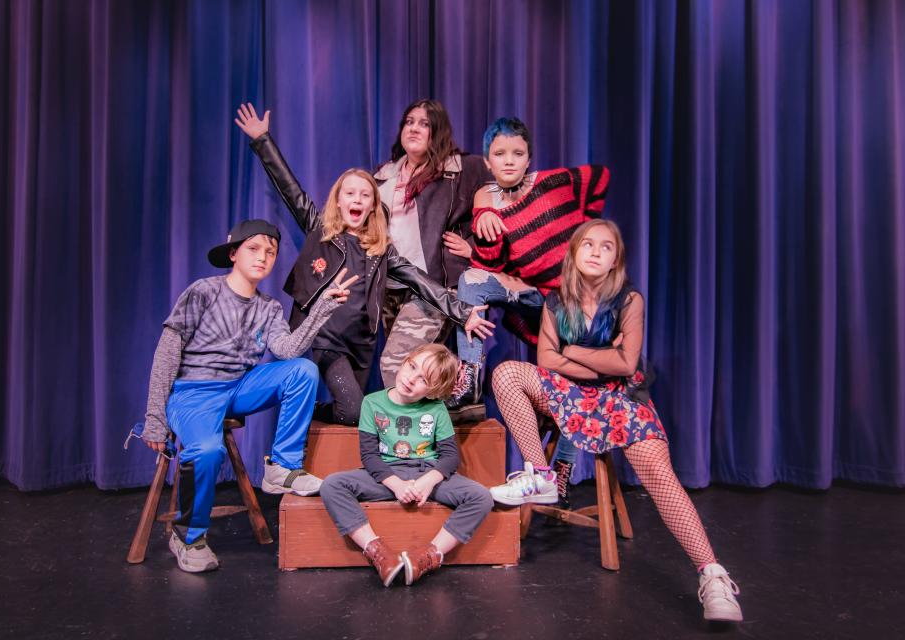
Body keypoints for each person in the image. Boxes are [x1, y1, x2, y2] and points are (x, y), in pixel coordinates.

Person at [488, 219, 743, 622]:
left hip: (622, 397)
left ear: (615, 260)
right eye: (587, 244)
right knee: (507, 373)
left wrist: (573, 352)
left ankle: (712, 575)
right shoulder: (555, 301)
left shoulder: (629, 301)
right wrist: (601, 359)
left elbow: (625, 365)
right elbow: (545, 362)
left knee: (660, 474)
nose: (594, 251)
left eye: (605, 247)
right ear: (573, 253)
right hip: (568, 394)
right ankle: (540, 473)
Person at [137, 219, 357, 573]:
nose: (263, 257)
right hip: (194, 392)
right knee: (208, 451)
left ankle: (281, 468)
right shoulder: (203, 292)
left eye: (270, 252)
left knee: (302, 370)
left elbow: (287, 350)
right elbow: (166, 354)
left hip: (238, 387)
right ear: (234, 253)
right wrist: (155, 419)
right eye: (254, 249)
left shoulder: (268, 308)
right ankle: (188, 536)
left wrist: (321, 309)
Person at [234, 101, 490, 387]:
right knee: (403, 372)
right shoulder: (381, 180)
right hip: (373, 305)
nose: (414, 128)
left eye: (425, 123)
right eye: (409, 121)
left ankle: (451, 396)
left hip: (418, 294)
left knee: (397, 367)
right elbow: (294, 194)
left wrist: (471, 260)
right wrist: (263, 141)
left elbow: (419, 277)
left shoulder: (457, 171)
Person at [447, 117, 610, 409]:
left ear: (528, 159)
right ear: (487, 162)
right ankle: (469, 377)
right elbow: (490, 263)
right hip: (533, 298)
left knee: (576, 386)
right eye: (499, 154)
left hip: (571, 300)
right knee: (471, 280)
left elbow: (601, 177)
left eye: (517, 154)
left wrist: (588, 235)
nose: (508, 161)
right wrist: (485, 222)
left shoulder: (554, 183)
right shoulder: (486, 197)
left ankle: (565, 454)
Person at [318, 344, 494, 586]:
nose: (412, 379)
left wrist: (427, 481)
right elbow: (370, 457)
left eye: (424, 379)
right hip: (387, 476)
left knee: (481, 497)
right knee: (332, 485)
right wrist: (397, 486)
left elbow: (450, 456)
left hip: (426, 474)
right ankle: (378, 553)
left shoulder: (436, 408)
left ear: (433, 391)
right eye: (412, 367)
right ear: (405, 361)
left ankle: (428, 556)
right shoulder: (372, 403)